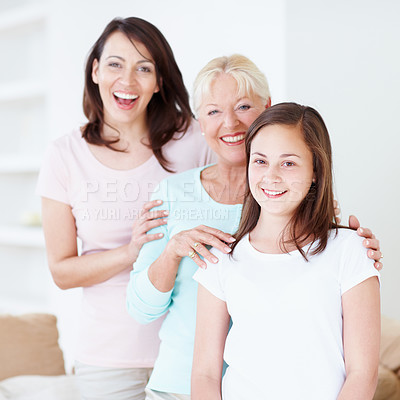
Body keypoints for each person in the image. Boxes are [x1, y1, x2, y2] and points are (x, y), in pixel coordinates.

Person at [126, 55, 382, 400]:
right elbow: (144, 311)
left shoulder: (303, 208)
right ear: (200, 120)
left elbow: (360, 367)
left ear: (266, 108)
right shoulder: (178, 200)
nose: (229, 122)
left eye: (243, 106)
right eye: (214, 110)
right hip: (182, 380)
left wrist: (353, 242)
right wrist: (173, 250)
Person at [36, 17, 214, 400]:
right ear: (96, 70)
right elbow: (62, 271)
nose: (128, 81)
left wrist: (326, 222)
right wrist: (131, 252)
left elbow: (258, 192)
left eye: (144, 68)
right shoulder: (64, 155)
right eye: (116, 64)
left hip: (191, 354)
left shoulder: (196, 140)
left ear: (160, 81)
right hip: (106, 360)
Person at [191, 103, 381, 400]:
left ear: (316, 170)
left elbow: (363, 374)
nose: (272, 176)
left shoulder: (350, 251)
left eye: (289, 163)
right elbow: (205, 374)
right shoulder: (221, 258)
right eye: (260, 161)